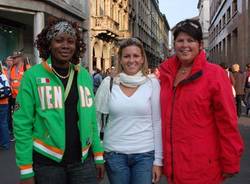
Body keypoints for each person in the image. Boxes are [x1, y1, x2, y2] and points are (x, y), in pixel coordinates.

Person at [13, 19, 104, 184]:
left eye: (70, 41)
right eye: (59, 40)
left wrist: (98, 155)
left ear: (76, 46)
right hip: (47, 164)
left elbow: (91, 119)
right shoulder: (32, 76)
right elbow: (22, 124)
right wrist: (26, 170)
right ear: (49, 43)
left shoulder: (83, 75)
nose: (65, 45)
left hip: (83, 162)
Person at [159, 19, 244, 184]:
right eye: (180, 41)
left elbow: (227, 122)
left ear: (200, 45)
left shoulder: (215, 74)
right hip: (174, 168)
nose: (185, 45)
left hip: (202, 168)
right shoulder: (166, 75)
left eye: (190, 41)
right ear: (174, 44)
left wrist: (230, 161)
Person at [95, 37, 162, 184]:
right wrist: (98, 155)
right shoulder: (109, 83)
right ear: (120, 59)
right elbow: (96, 122)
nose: (131, 60)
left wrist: (158, 160)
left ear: (143, 59)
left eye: (136, 56)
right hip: (114, 154)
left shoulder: (153, 83)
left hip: (145, 154)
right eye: (126, 56)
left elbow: (157, 123)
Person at [9, 51, 30, 141]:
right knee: (15, 117)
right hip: (13, 98)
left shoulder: (27, 67)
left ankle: (27, 134)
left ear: (20, 58)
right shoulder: (12, 68)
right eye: (13, 58)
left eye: (15, 58)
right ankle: (17, 134)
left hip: (24, 98)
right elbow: (10, 80)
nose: (13, 59)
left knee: (26, 116)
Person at [0, 61, 11, 150]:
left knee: (2, 123)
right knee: (4, 123)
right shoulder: (3, 75)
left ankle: (3, 142)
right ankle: (5, 143)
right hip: (5, 102)